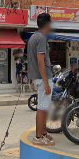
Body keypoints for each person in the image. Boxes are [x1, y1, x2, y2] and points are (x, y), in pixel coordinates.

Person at [27, 12, 54, 146]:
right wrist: (46, 82)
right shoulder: (41, 38)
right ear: (47, 24)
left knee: (45, 107)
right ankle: (38, 137)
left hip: (38, 78)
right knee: (42, 108)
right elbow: (40, 62)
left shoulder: (33, 37)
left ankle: (43, 133)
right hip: (43, 78)